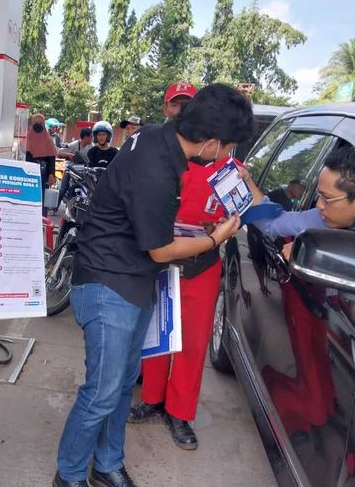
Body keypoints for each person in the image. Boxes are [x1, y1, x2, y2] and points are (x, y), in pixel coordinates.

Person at [54, 83, 253, 487]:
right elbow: (161, 250)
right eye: (228, 147)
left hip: (132, 281)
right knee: (101, 392)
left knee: (123, 383)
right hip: (109, 282)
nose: (227, 156)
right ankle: (69, 475)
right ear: (212, 142)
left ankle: (107, 464)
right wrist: (216, 238)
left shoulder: (160, 140)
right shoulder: (156, 168)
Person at [126, 84, 243, 451]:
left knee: (191, 343)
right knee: (157, 335)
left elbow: (245, 210)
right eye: (176, 105)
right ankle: (153, 399)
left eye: (188, 106)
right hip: (158, 261)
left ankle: (180, 411)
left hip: (200, 264)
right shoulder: (156, 153)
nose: (181, 112)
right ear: (166, 108)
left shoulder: (227, 166)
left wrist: (222, 226)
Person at [243, 143, 355, 267]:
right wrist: (247, 183)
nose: (319, 205)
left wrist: (305, 250)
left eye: (327, 199)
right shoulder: (322, 216)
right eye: (319, 195)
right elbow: (273, 222)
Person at [26, 114, 58, 216]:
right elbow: (22, 154)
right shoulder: (27, 138)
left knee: (42, 198)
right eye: (36, 123)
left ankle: (41, 222)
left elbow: (51, 158)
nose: (38, 125)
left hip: (43, 174)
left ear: (44, 125)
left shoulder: (48, 139)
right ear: (32, 124)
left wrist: (51, 174)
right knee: (29, 197)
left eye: (40, 123)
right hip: (28, 173)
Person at [57, 127, 93, 204]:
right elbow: (59, 153)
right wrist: (69, 154)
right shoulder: (74, 144)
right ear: (86, 137)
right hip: (71, 168)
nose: (92, 139)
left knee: (86, 188)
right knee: (63, 188)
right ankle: (54, 208)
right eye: (91, 137)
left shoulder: (91, 147)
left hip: (83, 170)